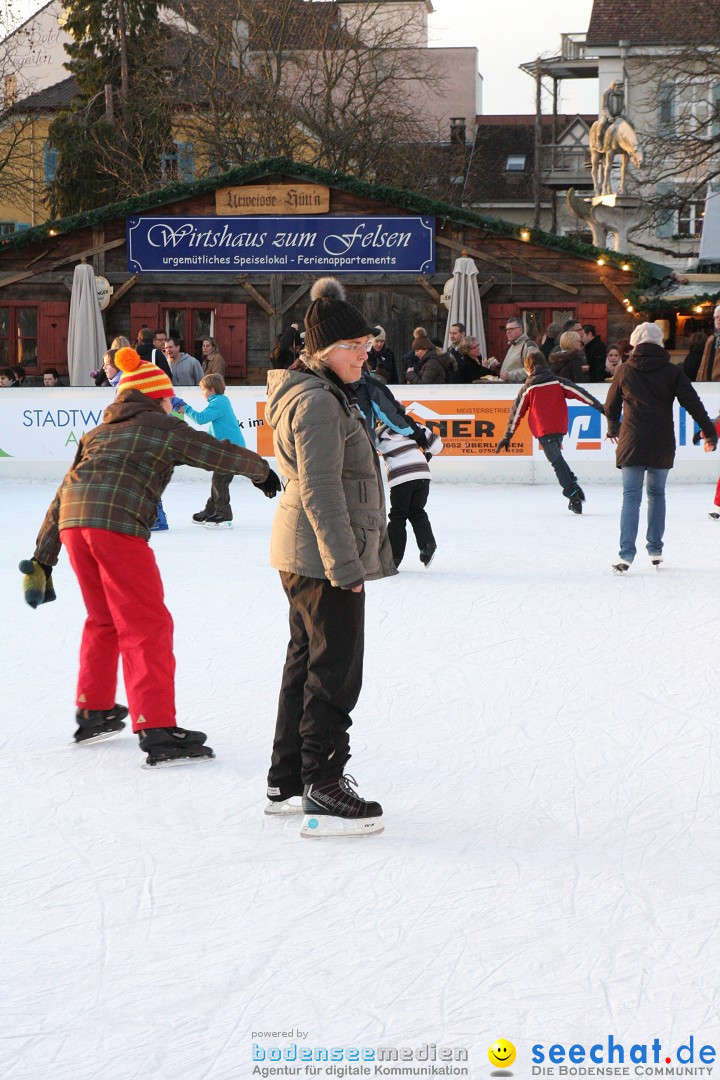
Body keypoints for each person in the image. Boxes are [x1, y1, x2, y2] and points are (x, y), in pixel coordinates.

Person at [19, 347, 280, 767]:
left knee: (103, 618)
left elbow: (62, 493)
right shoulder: (161, 425)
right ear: (157, 397)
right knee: (146, 624)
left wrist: (43, 558)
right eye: (169, 398)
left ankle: (94, 708)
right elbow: (212, 450)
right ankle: (157, 728)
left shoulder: (96, 433)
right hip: (116, 527)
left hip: (73, 527)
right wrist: (262, 471)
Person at [264, 276, 396, 837]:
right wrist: (346, 566)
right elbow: (321, 487)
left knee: (307, 659)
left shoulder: (319, 392)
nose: (364, 354)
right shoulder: (317, 402)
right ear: (321, 352)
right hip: (322, 556)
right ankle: (322, 783)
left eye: (367, 345)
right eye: (353, 346)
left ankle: (288, 779)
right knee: (334, 668)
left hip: (303, 550)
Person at [605, 322, 718, 573]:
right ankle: (655, 549)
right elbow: (693, 403)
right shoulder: (671, 371)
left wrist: (613, 428)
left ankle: (625, 554)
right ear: (660, 343)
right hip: (661, 441)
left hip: (632, 439)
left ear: (635, 343)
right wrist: (709, 433)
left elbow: (611, 405)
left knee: (631, 497)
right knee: (656, 494)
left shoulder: (624, 370)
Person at [496, 348, 604, 514]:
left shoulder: (528, 389)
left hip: (543, 430)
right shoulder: (558, 382)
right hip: (560, 428)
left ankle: (573, 494)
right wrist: (600, 407)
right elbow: (580, 393)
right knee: (558, 460)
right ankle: (573, 485)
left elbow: (516, 413)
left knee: (556, 463)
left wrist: (507, 435)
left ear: (528, 368)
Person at [175, 373, 245, 527]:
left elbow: (201, 419)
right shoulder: (219, 402)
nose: (202, 393)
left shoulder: (219, 402)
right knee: (218, 481)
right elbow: (213, 431)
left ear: (211, 390)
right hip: (227, 450)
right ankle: (211, 510)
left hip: (231, 450)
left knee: (220, 481)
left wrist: (186, 408)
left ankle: (224, 514)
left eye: (203, 390)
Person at [376, 421, 443, 568]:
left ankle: (393, 558)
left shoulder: (379, 434)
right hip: (422, 474)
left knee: (397, 517)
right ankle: (428, 544)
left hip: (401, 476)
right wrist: (427, 450)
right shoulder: (414, 427)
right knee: (417, 512)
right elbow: (437, 446)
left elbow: (365, 449)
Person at [498, 317, 533, 382]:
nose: (508, 332)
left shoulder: (528, 344)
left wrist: (510, 375)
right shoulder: (513, 345)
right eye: (507, 329)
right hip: (509, 388)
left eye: (511, 329)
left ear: (520, 329)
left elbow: (533, 369)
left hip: (520, 388)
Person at [696, 305, 720, 381]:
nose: (718, 320)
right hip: (708, 384)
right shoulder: (711, 338)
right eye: (716, 317)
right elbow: (704, 363)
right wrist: (699, 379)